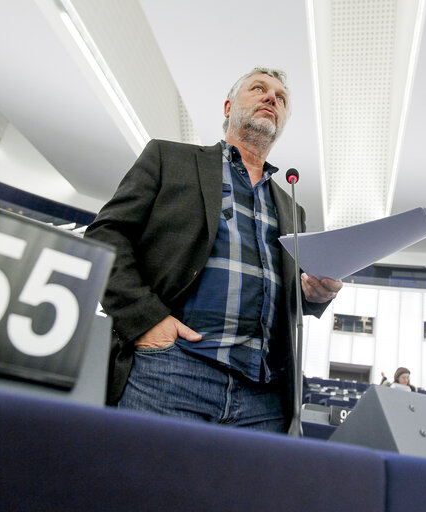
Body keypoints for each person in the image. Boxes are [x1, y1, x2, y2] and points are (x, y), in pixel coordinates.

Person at [85, 67, 342, 433]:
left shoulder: (292, 208)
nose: (272, 98)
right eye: (259, 89)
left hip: (264, 398)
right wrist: (146, 320)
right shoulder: (168, 159)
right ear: (227, 107)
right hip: (171, 370)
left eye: (281, 98)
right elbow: (105, 236)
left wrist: (315, 294)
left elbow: (293, 295)